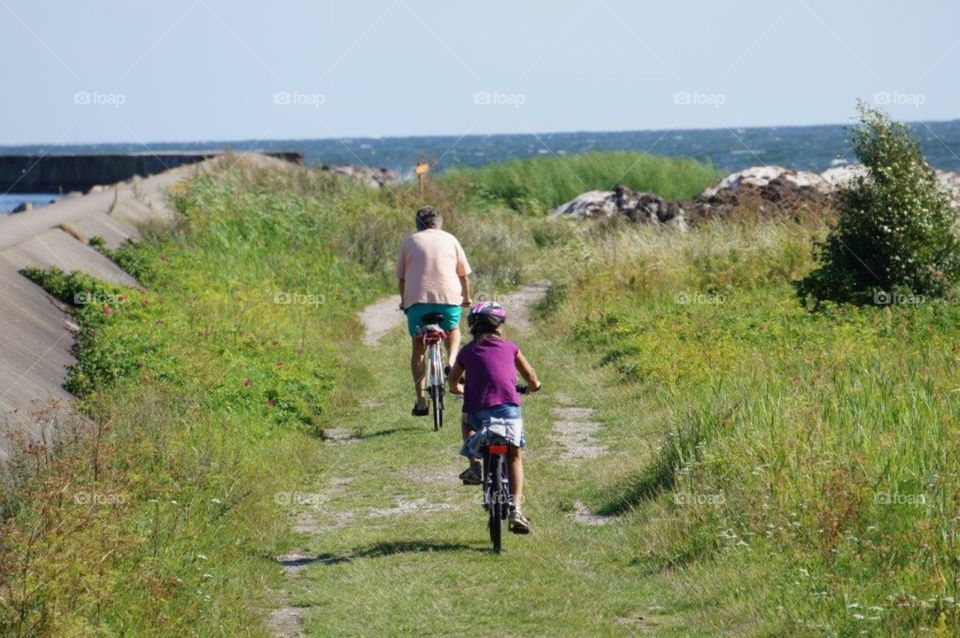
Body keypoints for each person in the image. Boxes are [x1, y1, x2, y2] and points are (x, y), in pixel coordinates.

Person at [448, 301, 541, 534]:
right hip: (508, 410)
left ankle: (474, 463)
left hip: (478, 411)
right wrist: (533, 386)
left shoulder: (467, 351)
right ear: (499, 326)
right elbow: (530, 376)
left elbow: (452, 383)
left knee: (466, 419)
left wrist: (462, 389)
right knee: (514, 455)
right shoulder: (511, 347)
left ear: (472, 327)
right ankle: (516, 509)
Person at [396, 206, 473, 416]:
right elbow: (463, 275)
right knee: (454, 329)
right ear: (439, 223)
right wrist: (466, 298)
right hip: (448, 299)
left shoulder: (409, 241)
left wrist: (404, 302)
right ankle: (451, 362)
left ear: (417, 224)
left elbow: (402, 278)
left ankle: (421, 402)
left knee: (418, 348)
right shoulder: (451, 239)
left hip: (417, 302)